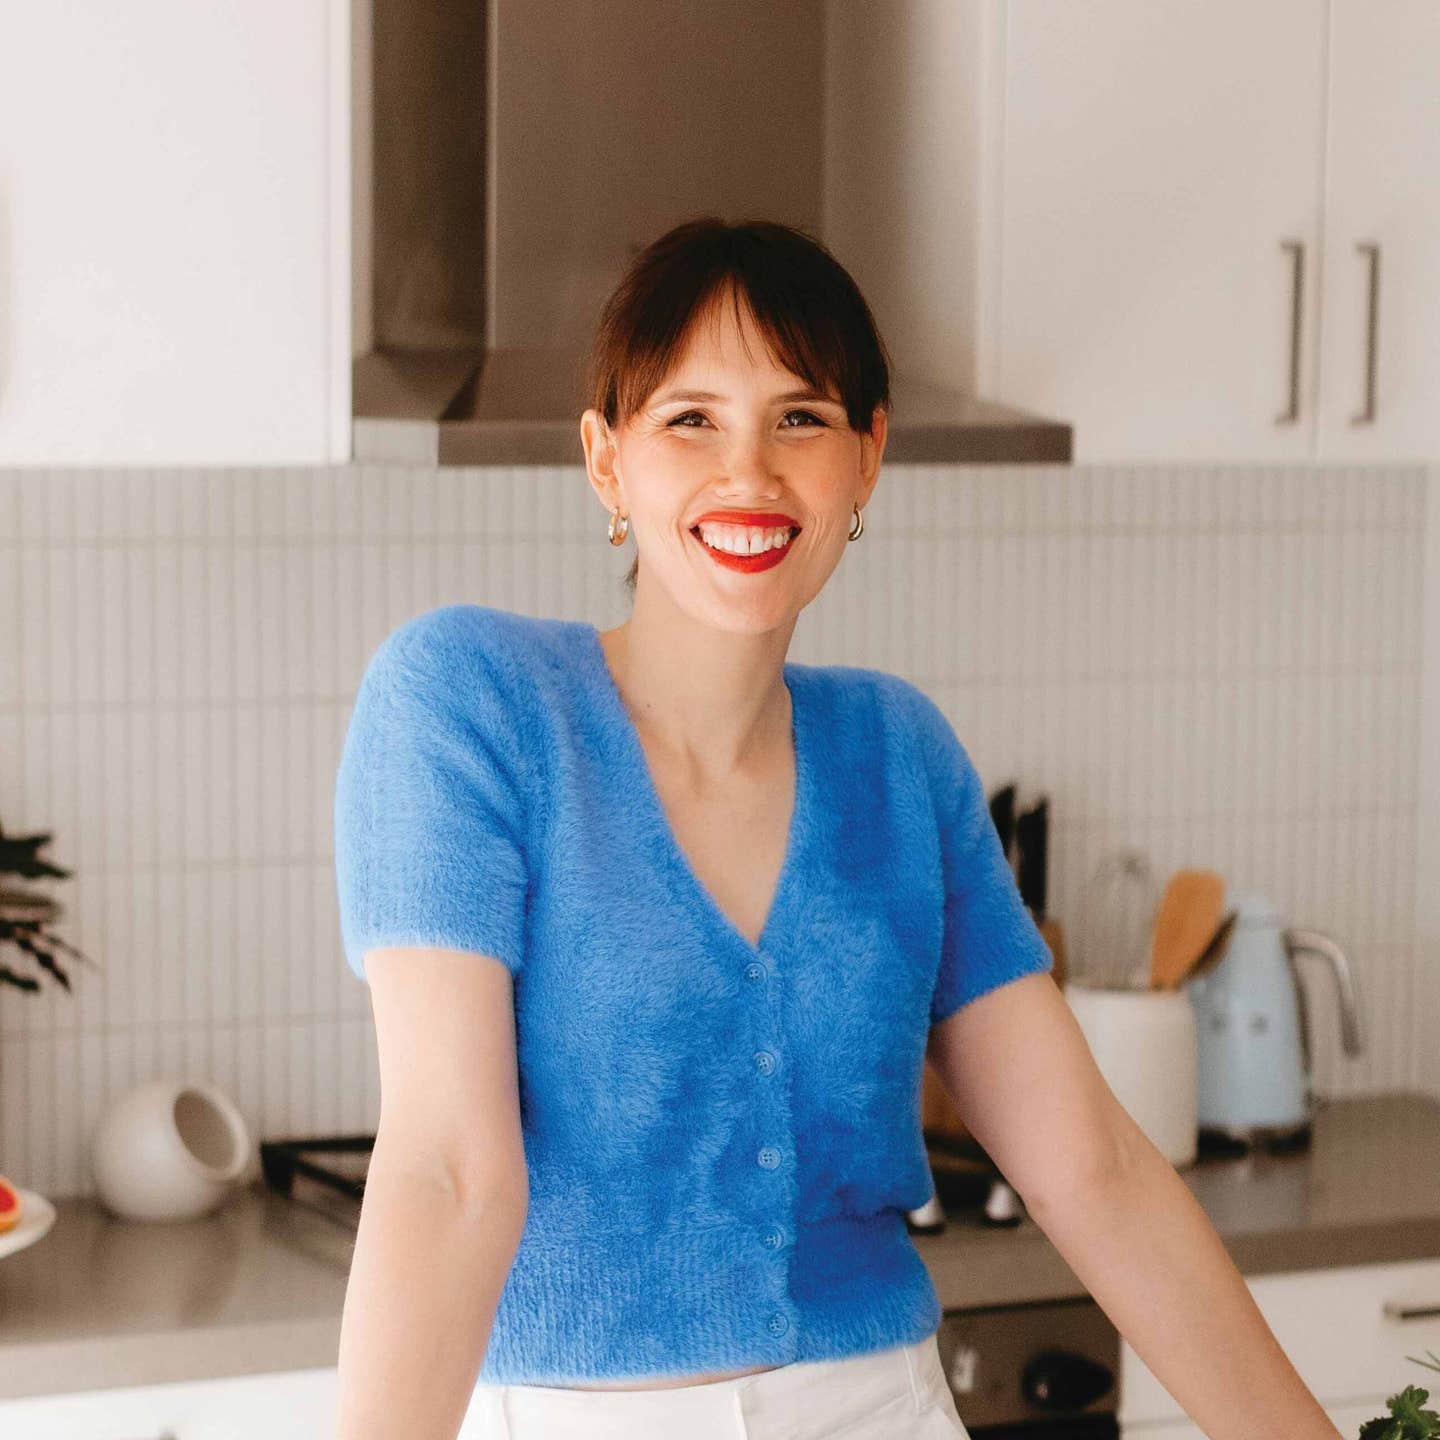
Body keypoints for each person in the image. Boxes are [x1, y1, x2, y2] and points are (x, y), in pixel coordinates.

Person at [331, 218, 1345, 1440]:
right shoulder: (468, 700)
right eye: (689, 419)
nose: (748, 475)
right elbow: (448, 1173)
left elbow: (1096, 1171)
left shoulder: (897, 755)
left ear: (868, 459)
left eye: (800, 418)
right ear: (607, 461)